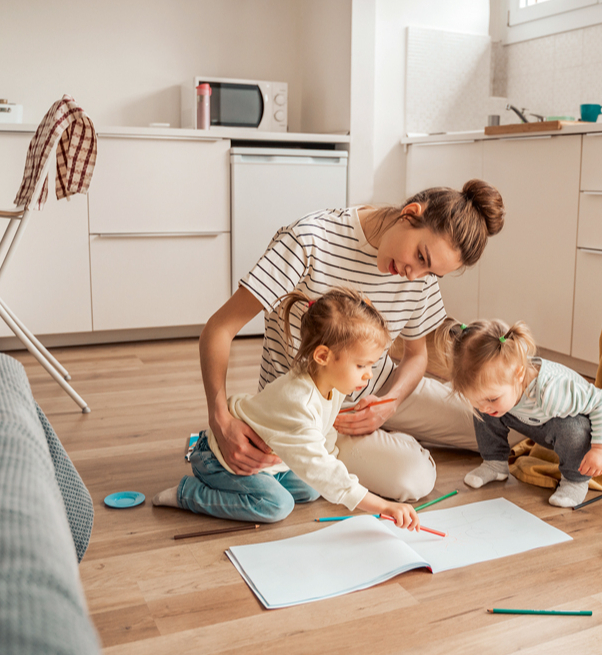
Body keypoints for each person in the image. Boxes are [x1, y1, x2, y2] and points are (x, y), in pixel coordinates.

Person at [198, 180, 506, 502]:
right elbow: (219, 329)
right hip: (316, 411)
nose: (414, 275)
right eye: (420, 256)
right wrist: (219, 416)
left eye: (430, 272)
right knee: (414, 479)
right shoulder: (309, 240)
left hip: (379, 387)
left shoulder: (418, 276)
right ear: (410, 214)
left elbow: (416, 357)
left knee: (499, 422)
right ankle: (380, 446)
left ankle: (388, 433)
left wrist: (389, 405)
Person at [153, 287, 421, 530]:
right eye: (362, 365)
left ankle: (262, 485)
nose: (368, 375)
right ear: (323, 356)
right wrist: (384, 506)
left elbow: (322, 442)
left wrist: (336, 475)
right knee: (277, 505)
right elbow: (323, 470)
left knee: (311, 489)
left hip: (268, 462)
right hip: (221, 460)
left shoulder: (332, 382)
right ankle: (188, 493)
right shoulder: (298, 402)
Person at [434, 318, 602, 507]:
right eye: (476, 399)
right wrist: (486, 403)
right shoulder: (500, 391)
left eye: (492, 398)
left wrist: (600, 449)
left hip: (563, 424)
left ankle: (575, 481)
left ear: (519, 375)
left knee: (573, 430)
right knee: (487, 413)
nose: (484, 406)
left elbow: (601, 401)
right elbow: (486, 404)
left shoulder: (553, 391)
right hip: (532, 419)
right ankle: (495, 463)